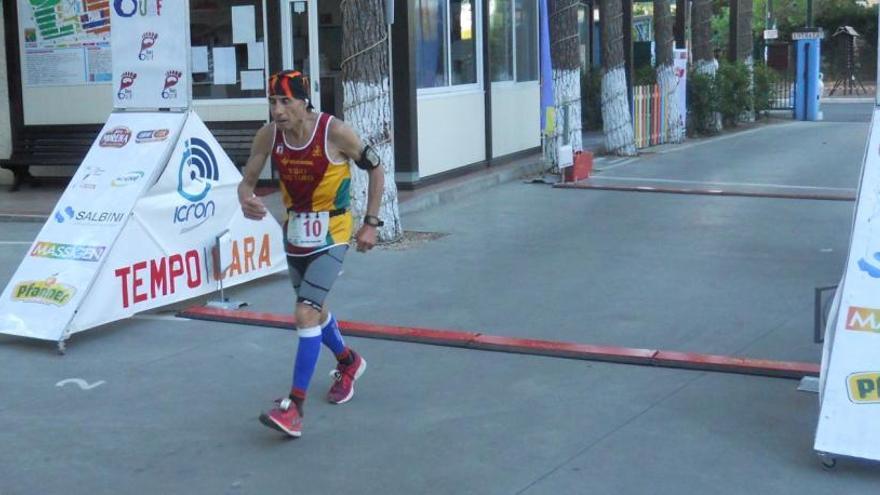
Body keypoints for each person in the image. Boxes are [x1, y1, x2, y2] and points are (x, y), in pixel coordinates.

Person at [237, 70, 385, 438]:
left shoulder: (334, 132)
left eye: (286, 101)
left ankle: (294, 407)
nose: (278, 110)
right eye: (273, 102)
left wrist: (371, 223)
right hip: (296, 235)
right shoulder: (269, 135)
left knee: (304, 312)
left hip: (333, 234)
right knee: (315, 310)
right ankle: (349, 362)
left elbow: (377, 167)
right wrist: (245, 199)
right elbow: (248, 181)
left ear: (304, 100)